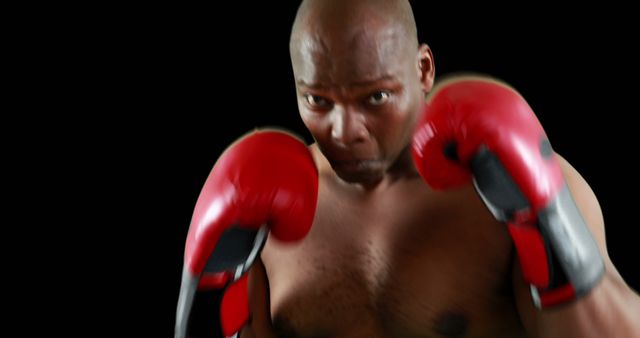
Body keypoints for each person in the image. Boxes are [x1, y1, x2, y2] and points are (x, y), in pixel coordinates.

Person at [176, 0, 640, 337]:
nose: (343, 130)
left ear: (422, 69)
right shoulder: (259, 213)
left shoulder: (509, 187)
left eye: (374, 97)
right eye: (318, 100)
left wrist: (546, 217)